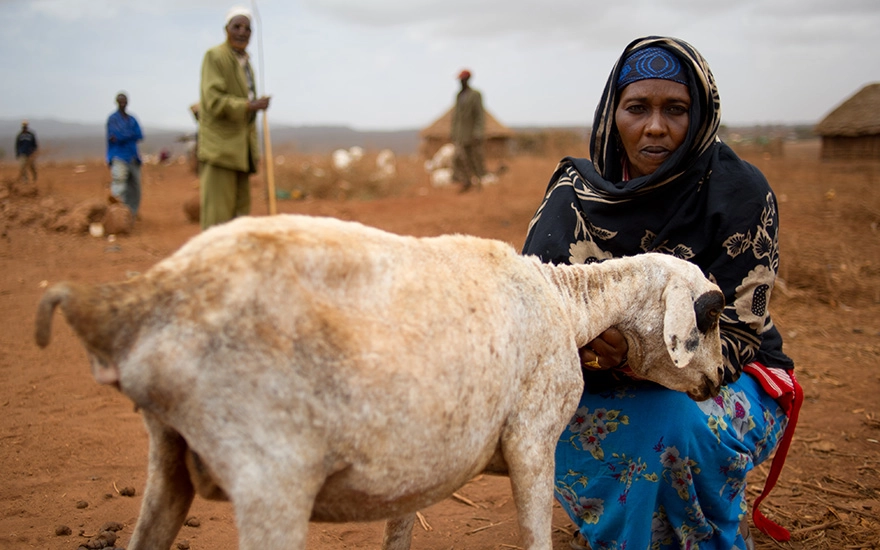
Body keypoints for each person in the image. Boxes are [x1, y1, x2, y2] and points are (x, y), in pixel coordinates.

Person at [522, 36, 801, 550]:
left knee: (671, 424)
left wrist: (633, 352)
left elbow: (737, 337)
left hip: (720, 379)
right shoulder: (574, 197)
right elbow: (532, 315)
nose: (655, 126)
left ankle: (700, 531)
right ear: (613, 112)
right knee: (530, 419)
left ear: (700, 116)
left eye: (675, 109)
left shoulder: (738, 193)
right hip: (592, 383)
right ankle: (629, 530)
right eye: (637, 108)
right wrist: (583, 348)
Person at [198, 5, 270, 230]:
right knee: (217, 219)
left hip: (242, 152)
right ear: (225, 29)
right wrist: (250, 105)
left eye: (247, 28)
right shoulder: (215, 56)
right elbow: (213, 101)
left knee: (240, 219)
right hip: (221, 150)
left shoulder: (246, 63)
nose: (242, 32)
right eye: (236, 26)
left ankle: (233, 264)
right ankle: (211, 264)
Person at [106, 92, 144, 217]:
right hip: (119, 155)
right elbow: (116, 136)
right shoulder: (113, 119)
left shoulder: (132, 119)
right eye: (120, 101)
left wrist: (124, 135)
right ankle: (116, 214)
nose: (123, 103)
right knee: (119, 184)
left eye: (125, 101)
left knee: (135, 188)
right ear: (117, 102)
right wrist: (128, 135)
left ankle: (130, 214)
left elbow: (139, 135)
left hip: (133, 156)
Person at [450, 69, 486, 192]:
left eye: (462, 80)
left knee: (474, 159)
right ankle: (466, 181)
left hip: (471, 134)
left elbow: (479, 115)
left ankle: (479, 182)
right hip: (460, 135)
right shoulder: (459, 95)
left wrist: (478, 132)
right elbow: (456, 117)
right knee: (459, 159)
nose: (461, 82)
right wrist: (454, 132)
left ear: (467, 80)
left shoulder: (475, 95)